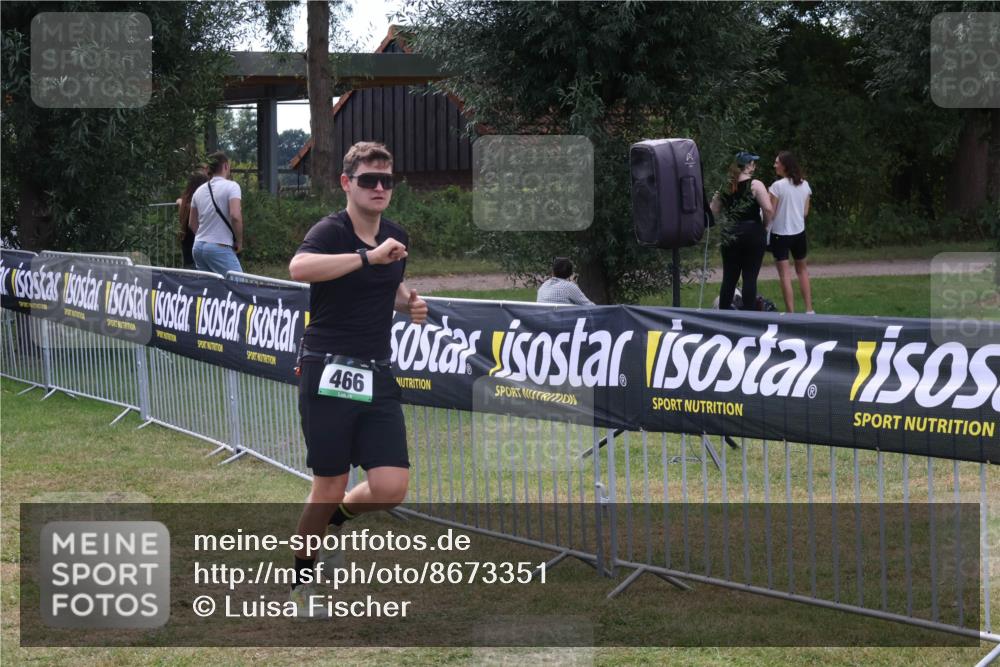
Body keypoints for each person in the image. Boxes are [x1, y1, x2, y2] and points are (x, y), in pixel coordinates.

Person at [287, 141, 428, 617]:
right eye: (369, 179)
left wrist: (408, 301)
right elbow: (300, 268)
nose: (380, 188)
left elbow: (386, 286)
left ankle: (334, 521)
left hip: (377, 371)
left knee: (391, 487)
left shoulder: (395, 236)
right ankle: (302, 582)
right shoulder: (330, 230)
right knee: (328, 483)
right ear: (347, 183)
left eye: (387, 180)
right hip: (327, 367)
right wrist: (367, 258)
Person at [710, 151, 774, 311]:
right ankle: (749, 315)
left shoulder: (726, 185)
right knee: (750, 277)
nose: (754, 166)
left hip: (731, 233)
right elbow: (768, 209)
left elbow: (713, 210)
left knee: (729, 278)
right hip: (752, 232)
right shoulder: (755, 185)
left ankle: (723, 312)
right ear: (748, 165)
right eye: (753, 163)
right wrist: (765, 226)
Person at [769, 151, 814, 313]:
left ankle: (790, 313)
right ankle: (809, 310)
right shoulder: (805, 185)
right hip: (799, 233)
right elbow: (805, 213)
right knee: (802, 270)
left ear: (784, 166)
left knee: (785, 275)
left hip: (780, 234)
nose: (774, 165)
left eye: (776, 162)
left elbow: (770, 212)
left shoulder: (777, 187)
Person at [188, 151, 243, 275]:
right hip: (219, 246)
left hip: (198, 246)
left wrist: (205, 237)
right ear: (225, 166)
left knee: (209, 290)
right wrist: (239, 242)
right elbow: (235, 216)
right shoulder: (232, 187)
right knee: (239, 285)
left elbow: (192, 223)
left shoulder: (199, 190)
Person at [176, 170, 208, 269]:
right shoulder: (199, 201)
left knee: (189, 270)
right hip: (198, 241)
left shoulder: (185, 200)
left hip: (186, 240)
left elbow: (180, 201)